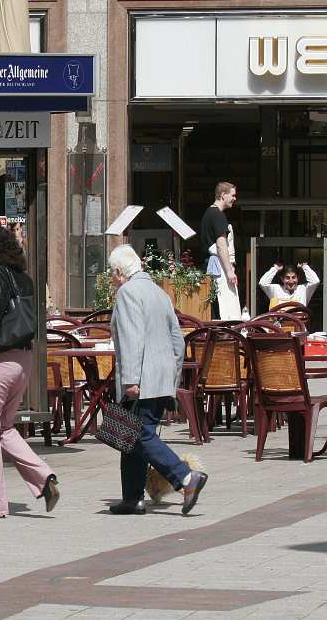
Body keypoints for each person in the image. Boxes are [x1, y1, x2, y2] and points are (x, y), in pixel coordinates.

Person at [107, 244, 209, 516]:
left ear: (119, 272)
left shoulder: (127, 293)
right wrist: (171, 375)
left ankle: (185, 478)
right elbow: (178, 341)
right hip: (160, 377)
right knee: (130, 434)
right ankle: (132, 497)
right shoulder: (159, 293)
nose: (112, 278)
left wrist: (130, 379)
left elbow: (131, 338)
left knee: (139, 435)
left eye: (111, 273)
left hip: (140, 378)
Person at [0, 225, 58, 519]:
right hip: (24, 360)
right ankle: (43, 477)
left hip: (1, 360)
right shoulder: (25, 279)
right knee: (4, 426)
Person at [201, 182, 241, 320]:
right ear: (223, 195)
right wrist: (230, 271)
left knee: (217, 305)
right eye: (233, 195)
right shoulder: (217, 215)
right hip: (219, 267)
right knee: (225, 307)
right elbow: (221, 245)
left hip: (213, 265)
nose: (235, 198)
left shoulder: (209, 213)